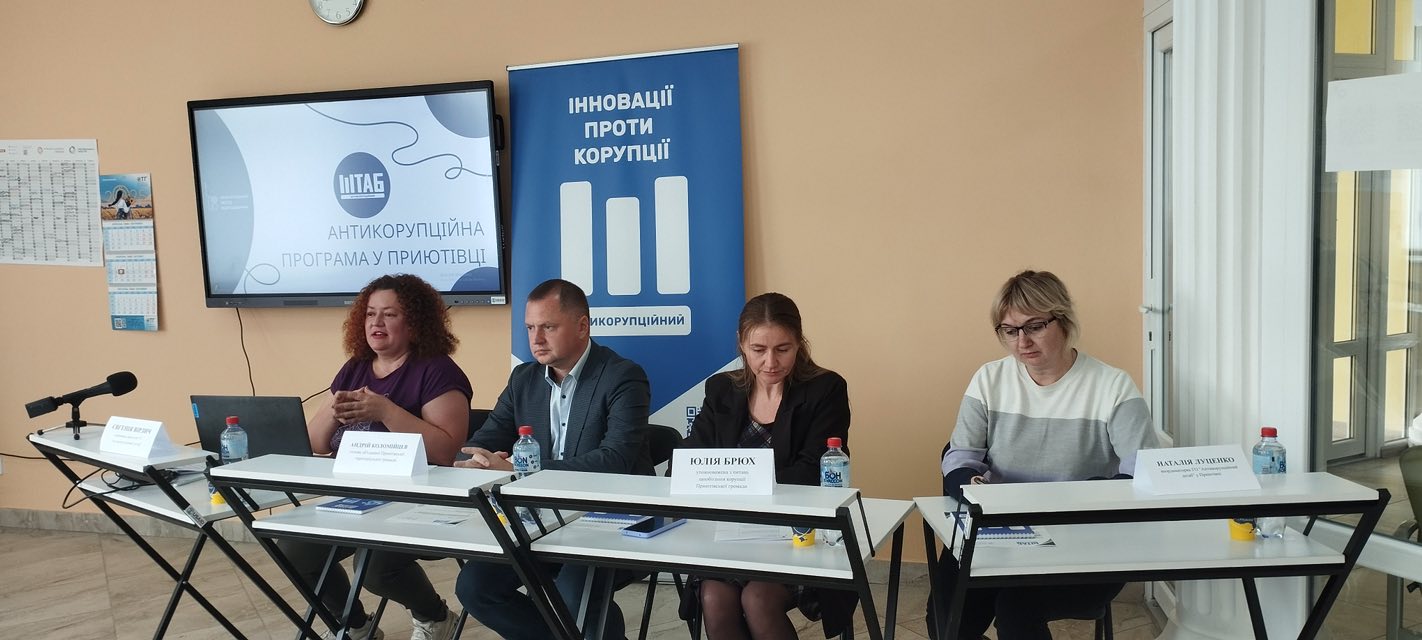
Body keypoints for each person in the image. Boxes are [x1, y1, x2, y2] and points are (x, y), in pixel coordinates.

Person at [933, 269, 1158, 640]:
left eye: (1035, 326)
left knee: (1016, 610)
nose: (1022, 342)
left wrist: (1073, 500)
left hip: (1084, 539)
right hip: (1000, 533)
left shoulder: (1112, 386)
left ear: (1063, 320)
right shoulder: (989, 380)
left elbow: (1143, 472)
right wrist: (974, 487)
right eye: (1010, 331)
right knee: (946, 623)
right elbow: (959, 458)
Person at [454, 278, 651, 640]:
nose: (536, 339)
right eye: (530, 328)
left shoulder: (622, 376)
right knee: (475, 587)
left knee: (571, 597)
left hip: (606, 518)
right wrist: (475, 460)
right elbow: (486, 438)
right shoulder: (524, 378)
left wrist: (521, 472)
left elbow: (615, 461)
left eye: (548, 327)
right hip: (540, 519)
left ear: (582, 326)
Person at [282, 273, 473, 640]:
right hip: (355, 496)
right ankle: (354, 627)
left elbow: (446, 451)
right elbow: (315, 443)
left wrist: (386, 411)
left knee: (373, 567)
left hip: (418, 498)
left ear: (414, 322)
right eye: (370, 314)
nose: (376, 323)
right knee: (294, 551)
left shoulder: (437, 371)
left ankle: (435, 617)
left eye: (390, 314)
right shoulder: (355, 367)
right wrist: (334, 410)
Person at [680, 292, 852, 640]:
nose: (770, 362)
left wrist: (729, 479)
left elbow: (811, 471)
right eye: (758, 349)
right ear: (742, 344)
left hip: (798, 533)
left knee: (757, 599)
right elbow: (691, 458)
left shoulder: (825, 389)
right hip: (731, 533)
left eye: (783, 349)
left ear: (799, 343)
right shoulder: (722, 389)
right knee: (713, 597)